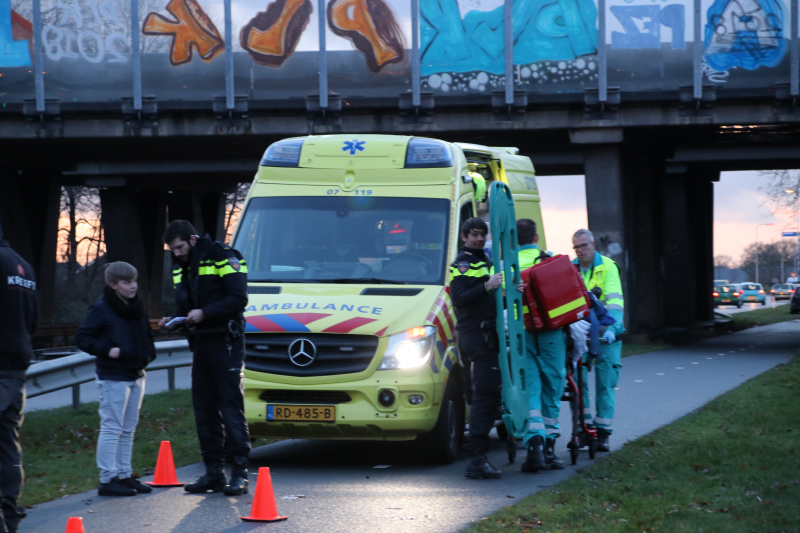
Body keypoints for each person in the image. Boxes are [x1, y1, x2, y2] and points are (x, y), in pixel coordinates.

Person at [158, 220, 251, 495]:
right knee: (204, 409)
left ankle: (239, 473)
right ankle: (213, 473)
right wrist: (174, 318)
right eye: (173, 250)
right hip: (201, 343)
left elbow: (238, 298)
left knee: (231, 408)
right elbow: (184, 304)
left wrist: (205, 313)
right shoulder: (181, 265)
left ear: (193, 239)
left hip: (226, 340)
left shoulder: (224, 255)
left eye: (180, 247)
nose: (176, 253)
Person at [76, 262, 156, 497]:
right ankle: (107, 479)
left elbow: (147, 336)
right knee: (112, 427)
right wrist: (107, 349)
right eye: (127, 282)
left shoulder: (136, 307)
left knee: (128, 429)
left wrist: (148, 354)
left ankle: (124, 475)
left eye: (134, 281)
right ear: (113, 285)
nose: (133, 286)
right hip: (113, 376)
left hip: (137, 373)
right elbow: (82, 337)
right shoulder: (100, 309)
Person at [450, 217, 505, 479]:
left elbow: (489, 300)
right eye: (474, 234)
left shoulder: (484, 261)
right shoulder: (464, 262)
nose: (479, 238)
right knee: (484, 397)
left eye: (482, 234)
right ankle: (477, 461)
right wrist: (487, 285)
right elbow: (459, 298)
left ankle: (478, 456)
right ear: (464, 237)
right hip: (476, 336)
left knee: (484, 397)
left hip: (484, 334)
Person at [516, 219, 566, 472]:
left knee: (531, 388)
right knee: (553, 386)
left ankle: (533, 444)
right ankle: (549, 450)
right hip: (550, 334)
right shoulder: (550, 260)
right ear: (536, 238)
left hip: (522, 335)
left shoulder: (506, 266)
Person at [571, 229, 625, 452]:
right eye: (576, 247)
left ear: (593, 244)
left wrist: (613, 328)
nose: (580, 250)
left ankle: (602, 434)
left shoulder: (608, 267)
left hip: (606, 335)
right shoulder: (571, 268)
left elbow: (615, 304)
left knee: (605, 385)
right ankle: (585, 430)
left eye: (583, 245)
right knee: (577, 385)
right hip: (579, 335)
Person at [0, 233, 37, 533]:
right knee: (7, 443)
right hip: (17, 365)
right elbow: (33, 320)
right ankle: (10, 515)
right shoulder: (23, 265)